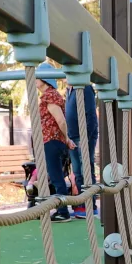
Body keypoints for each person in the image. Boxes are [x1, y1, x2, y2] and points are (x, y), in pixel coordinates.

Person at [35, 63, 75, 221]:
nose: (35, 81)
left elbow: (61, 121)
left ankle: (63, 212)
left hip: (52, 141)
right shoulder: (51, 95)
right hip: (51, 141)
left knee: (56, 177)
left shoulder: (50, 96)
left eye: (38, 78)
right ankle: (53, 208)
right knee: (52, 175)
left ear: (44, 80)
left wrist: (67, 138)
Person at [65, 84, 98, 218]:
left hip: (83, 136)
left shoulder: (85, 87)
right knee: (78, 172)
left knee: (86, 170)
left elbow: (90, 114)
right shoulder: (69, 91)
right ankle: (83, 203)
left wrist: (87, 138)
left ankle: (91, 204)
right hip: (72, 137)